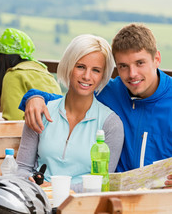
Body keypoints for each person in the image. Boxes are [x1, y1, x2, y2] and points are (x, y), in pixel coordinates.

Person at [20, 23, 172, 188]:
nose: (132, 74)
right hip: (116, 200)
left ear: (157, 59)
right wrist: (34, 97)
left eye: (140, 63)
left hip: (169, 201)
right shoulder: (110, 92)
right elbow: (69, 99)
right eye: (123, 66)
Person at [16, 34, 124, 193]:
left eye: (96, 70)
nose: (87, 76)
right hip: (38, 201)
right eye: (80, 66)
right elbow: (22, 168)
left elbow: (103, 182)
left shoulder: (111, 124)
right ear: (68, 66)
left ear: (102, 76)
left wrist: (56, 189)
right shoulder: (41, 112)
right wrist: (29, 180)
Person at [0, 28, 61, 120]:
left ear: (2, 58)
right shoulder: (46, 72)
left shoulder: (13, 75)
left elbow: (14, 119)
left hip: (33, 133)